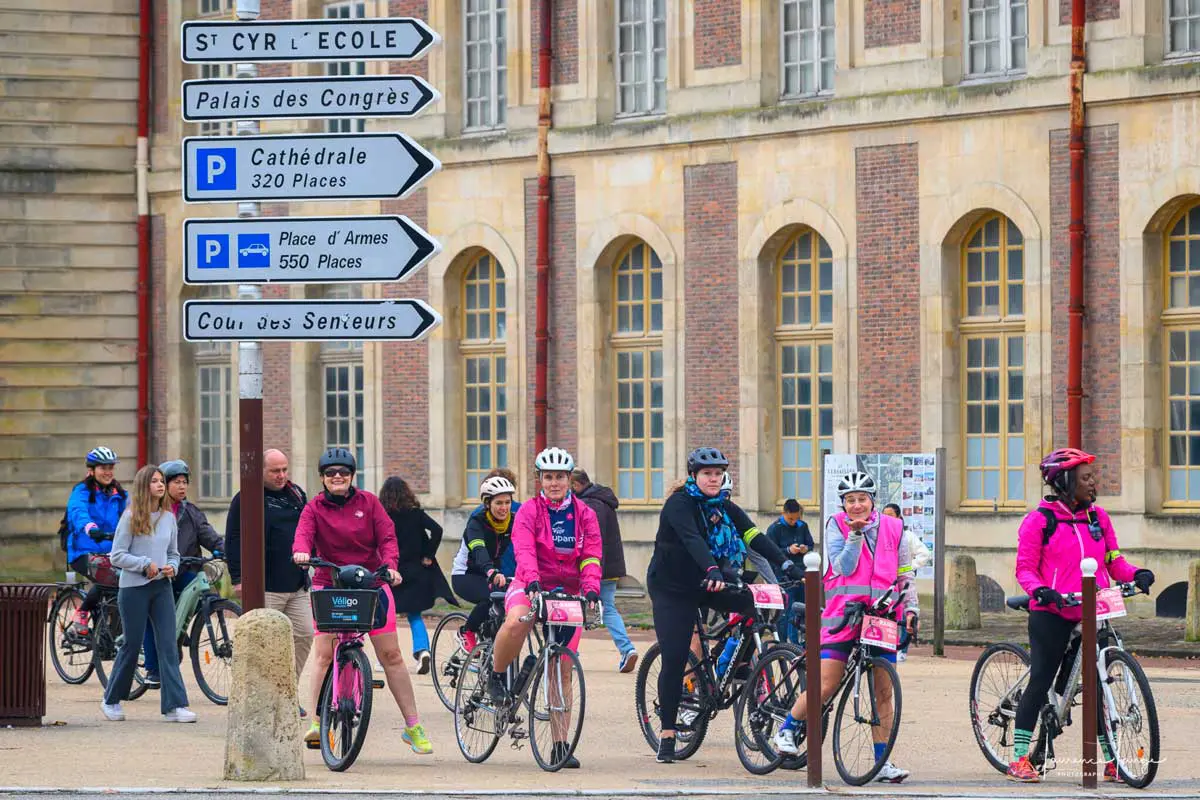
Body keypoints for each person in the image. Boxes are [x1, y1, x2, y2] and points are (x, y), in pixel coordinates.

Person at [1005, 448, 1155, 784]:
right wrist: (1040, 590)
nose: (1093, 483)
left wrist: (1135, 574)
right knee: (1042, 678)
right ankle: (1018, 758)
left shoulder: (1098, 518)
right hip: (1053, 612)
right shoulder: (1039, 521)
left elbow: (1114, 561)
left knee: (1098, 686)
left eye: (1093, 476)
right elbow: (1025, 569)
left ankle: (1113, 760)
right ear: (1064, 482)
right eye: (1086, 478)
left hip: (1094, 609)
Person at [646, 447, 804, 764]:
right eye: (707, 474)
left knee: (754, 605)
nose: (713, 478)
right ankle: (667, 733)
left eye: (718, 474)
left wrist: (786, 565)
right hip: (673, 587)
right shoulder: (679, 504)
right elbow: (692, 539)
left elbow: (754, 536)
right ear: (694, 476)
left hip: (710, 580)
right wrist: (712, 569)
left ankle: (744, 664)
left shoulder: (725, 506)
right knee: (675, 655)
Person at [773, 470, 916, 783]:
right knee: (826, 684)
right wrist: (855, 535)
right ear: (843, 504)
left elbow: (905, 574)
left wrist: (911, 608)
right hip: (843, 615)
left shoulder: (894, 528)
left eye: (861, 499)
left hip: (881, 616)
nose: (856, 505)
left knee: (883, 691)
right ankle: (787, 729)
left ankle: (882, 763)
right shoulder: (835, 525)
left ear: (872, 501)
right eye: (850, 500)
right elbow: (843, 566)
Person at [292, 448, 433, 755]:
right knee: (324, 654)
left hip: (371, 583)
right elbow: (303, 534)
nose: (337, 477)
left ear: (352, 476)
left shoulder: (369, 503)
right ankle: (317, 723)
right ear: (322, 478)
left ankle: (413, 726)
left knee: (392, 655)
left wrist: (391, 565)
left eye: (343, 472)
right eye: (331, 473)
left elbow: (387, 538)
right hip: (329, 584)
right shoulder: (313, 508)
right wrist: (302, 552)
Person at [489, 447, 602, 769]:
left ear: (570, 480)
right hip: (530, 583)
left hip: (569, 592)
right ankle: (496, 676)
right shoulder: (527, 512)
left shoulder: (586, 515)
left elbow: (592, 555)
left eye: (560, 477)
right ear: (540, 480)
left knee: (562, 668)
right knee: (515, 622)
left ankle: (559, 745)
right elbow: (524, 549)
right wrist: (534, 581)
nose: (554, 483)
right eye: (548, 477)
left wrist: (592, 588)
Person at [100, 464, 195, 723]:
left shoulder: (168, 518)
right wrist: (144, 564)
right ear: (145, 486)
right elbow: (116, 556)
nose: (161, 485)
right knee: (131, 645)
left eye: (161, 481)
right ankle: (111, 699)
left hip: (162, 587)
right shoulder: (130, 517)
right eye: (155, 481)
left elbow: (174, 553)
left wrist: (172, 566)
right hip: (133, 589)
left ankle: (175, 706)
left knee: (167, 645)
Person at [226, 449, 312, 710]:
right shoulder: (246, 498)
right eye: (275, 471)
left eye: (285, 469)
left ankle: (286, 694)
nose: (282, 475)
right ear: (261, 471)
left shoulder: (296, 494)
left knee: (305, 634)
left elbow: (308, 529)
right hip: (266, 585)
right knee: (265, 645)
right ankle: (264, 699)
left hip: (296, 583)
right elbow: (233, 538)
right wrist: (239, 578)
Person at [141, 459, 225, 688]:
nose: (182, 487)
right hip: (160, 575)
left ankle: (178, 634)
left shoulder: (191, 512)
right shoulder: (152, 512)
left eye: (185, 482)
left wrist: (224, 549)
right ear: (165, 485)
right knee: (153, 617)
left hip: (185, 570)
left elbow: (209, 536)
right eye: (177, 482)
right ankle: (152, 668)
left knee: (205, 595)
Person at [379, 476, 457, 674]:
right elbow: (437, 530)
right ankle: (422, 651)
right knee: (414, 615)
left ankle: (385, 658)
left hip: (391, 571)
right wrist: (428, 555)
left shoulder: (383, 516)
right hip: (416, 570)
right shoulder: (416, 514)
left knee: (388, 617)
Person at [571, 468, 638, 674]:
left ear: (575, 485)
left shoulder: (588, 505)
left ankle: (569, 653)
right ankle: (627, 649)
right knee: (608, 607)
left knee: (573, 608)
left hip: (592, 566)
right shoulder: (604, 500)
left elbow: (588, 540)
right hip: (610, 566)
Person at [66, 447, 128, 635]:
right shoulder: (82, 490)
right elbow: (78, 511)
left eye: (111, 467)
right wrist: (90, 528)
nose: (108, 472)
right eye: (103, 468)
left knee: (126, 578)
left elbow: (129, 516)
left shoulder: (118, 493)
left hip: (111, 551)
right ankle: (82, 612)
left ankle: (111, 634)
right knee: (108, 575)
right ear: (92, 470)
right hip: (83, 551)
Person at [451, 475, 517, 653]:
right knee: (491, 597)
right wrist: (491, 571)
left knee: (508, 604)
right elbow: (479, 551)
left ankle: (490, 648)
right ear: (488, 503)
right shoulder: (476, 523)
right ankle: (466, 631)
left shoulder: (513, 521)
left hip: (491, 573)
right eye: (498, 503)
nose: (504, 508)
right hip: (465, 575)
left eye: (507, 502)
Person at [882, 503, 929, 662]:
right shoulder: (880, 534)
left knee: (905, 615)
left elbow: (924, 553)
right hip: (885, 583)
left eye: (891, 515)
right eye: (884, 515)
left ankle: (903, 649)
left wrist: (909, 567)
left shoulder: (907, 535)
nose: (887, 518)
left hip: (902, 581)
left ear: (899, 517)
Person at [767, 499, 814, 644]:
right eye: (790, 519)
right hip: (783, 575)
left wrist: (806, 548)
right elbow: (770, 553)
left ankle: (798, 644)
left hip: (801, 572)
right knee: (785, 612)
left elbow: (810, 544)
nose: (794, 522)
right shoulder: (774, 528)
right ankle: (781, 644)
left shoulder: (802, 526)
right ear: (784, 513)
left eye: (797, 518)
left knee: (800, 610)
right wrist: (788, 550)